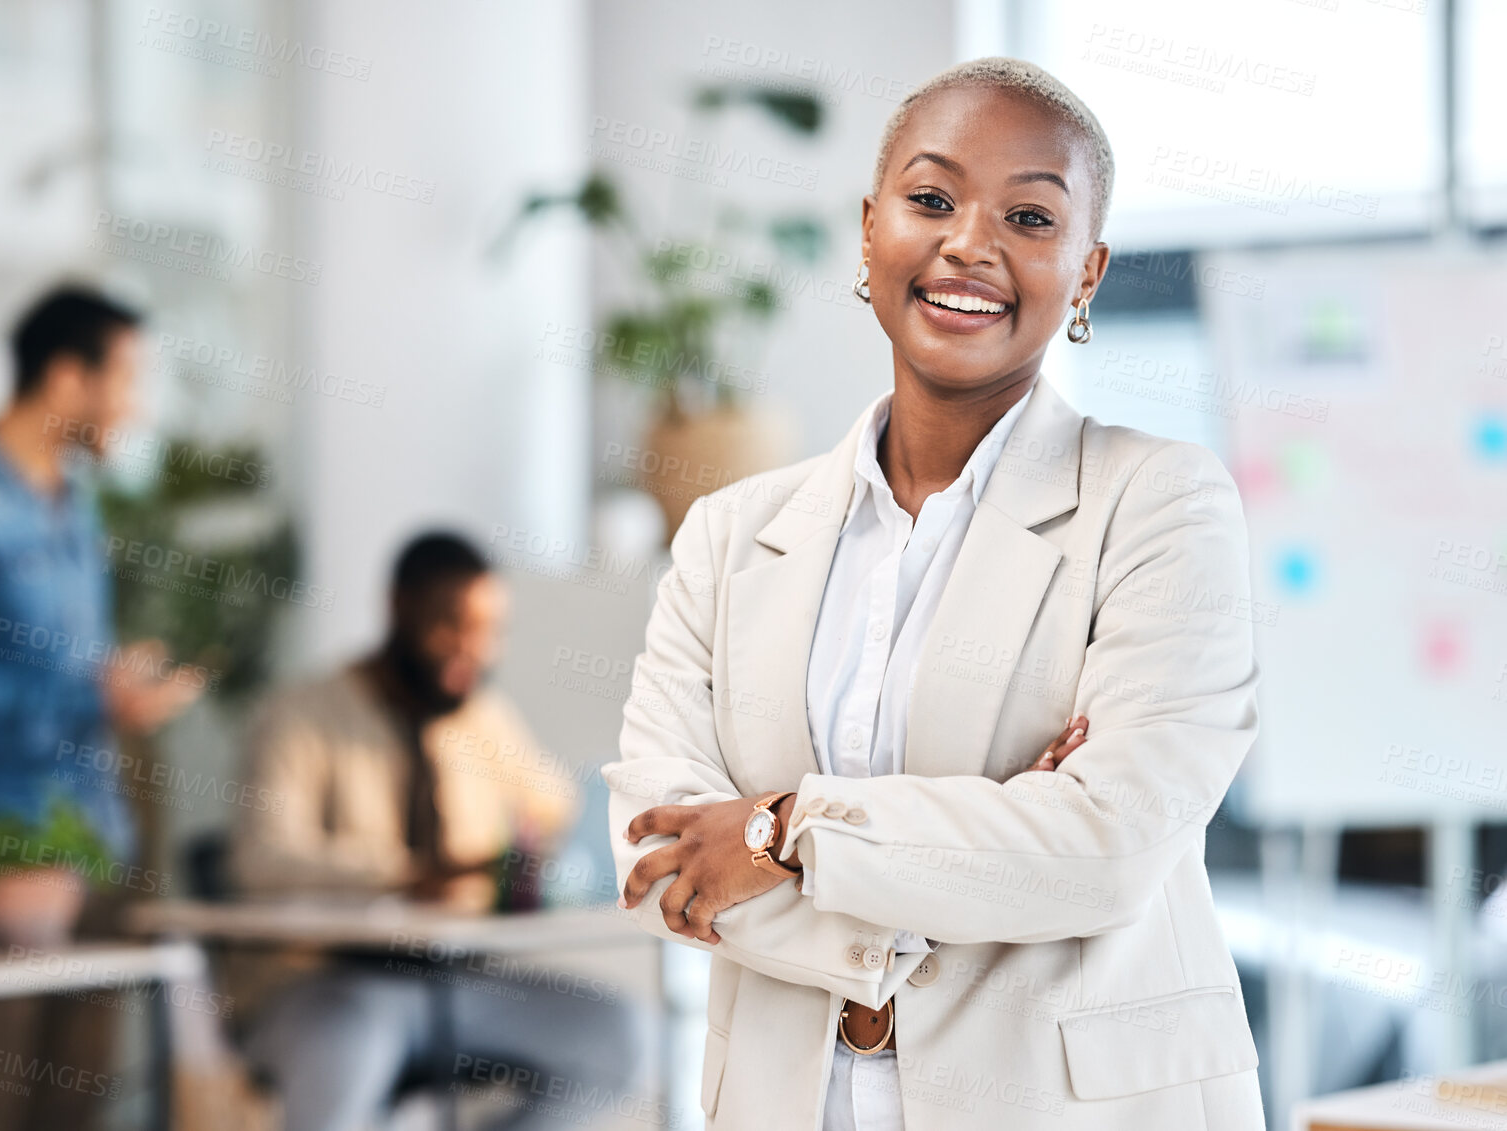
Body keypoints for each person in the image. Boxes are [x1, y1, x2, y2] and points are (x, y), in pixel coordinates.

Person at [605, 56, 1265, 1130]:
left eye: (1030, 217)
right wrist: (984, 850)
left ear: (1087, 273)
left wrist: (782, 832)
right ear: (870, 231)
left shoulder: (1160, 505)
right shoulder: (731, 535)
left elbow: (1106, 849)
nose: (971, 244)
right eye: (930, 200)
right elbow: (659, 855)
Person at [0, 284, 202, 1130]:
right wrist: (81, 694)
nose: (133, 408)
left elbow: (66, 670)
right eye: (125, 381)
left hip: (92, 834)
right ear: (66, 380)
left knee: (73, 1103)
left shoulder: (73, 503)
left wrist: (112, 685)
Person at [228, 531, 647, 1131]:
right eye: (452, 623)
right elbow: (262, 859)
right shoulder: (301, 716)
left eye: (489, 629)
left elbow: (553, 807)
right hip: (326, 981)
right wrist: (407, 874)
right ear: (398, 606)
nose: (474, 648)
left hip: (457, 980)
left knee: (617, 1037)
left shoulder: (474, 713)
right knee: (350, 1037)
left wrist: (517, 851)